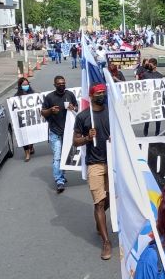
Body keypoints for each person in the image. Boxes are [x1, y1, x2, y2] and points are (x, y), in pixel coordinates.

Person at [73, 83, 112, 260]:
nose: (102, 95)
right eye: (98, 93)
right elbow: (75, 141)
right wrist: (88, 138)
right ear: (91, 95)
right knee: (99, 203)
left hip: (112, 162)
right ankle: (106, 242)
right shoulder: (83, 117)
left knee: (110, 199)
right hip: (94, 164)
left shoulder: (111, 113)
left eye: (104, 92)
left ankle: (100, 220)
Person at [41, 75, 77, 193]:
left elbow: (77, 107)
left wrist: (73, 107)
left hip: (67, 132)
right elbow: (43, 112)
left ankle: (62, 174)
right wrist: (50, 110)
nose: (62, 85)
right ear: (55, 85)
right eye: (59, 84)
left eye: (63, 83)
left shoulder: (70, 95)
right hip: (55, 132)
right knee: (57, 157)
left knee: (66, 155)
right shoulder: (49, 97)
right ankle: (59, 181)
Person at [15, 78, 36, 162]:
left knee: (31, 134)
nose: (26, 86)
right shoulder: (16, 97)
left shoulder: (32, 94)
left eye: (27, 84)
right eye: (24, 85)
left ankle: (31, 146)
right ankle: (27, 153)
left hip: (31, 117)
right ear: (20, 86)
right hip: (22, 119)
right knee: (24, 136)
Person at [141, 58, 163, 137]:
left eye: (151, 64)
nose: (149, 65)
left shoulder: (160, 76)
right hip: (148, 99)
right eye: (148, 64)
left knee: (158, 119)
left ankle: (157, 133)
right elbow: (141, 86)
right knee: (147, 119)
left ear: (155, 65)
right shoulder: (145, 75)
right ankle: (145, 132)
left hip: (157, 100)